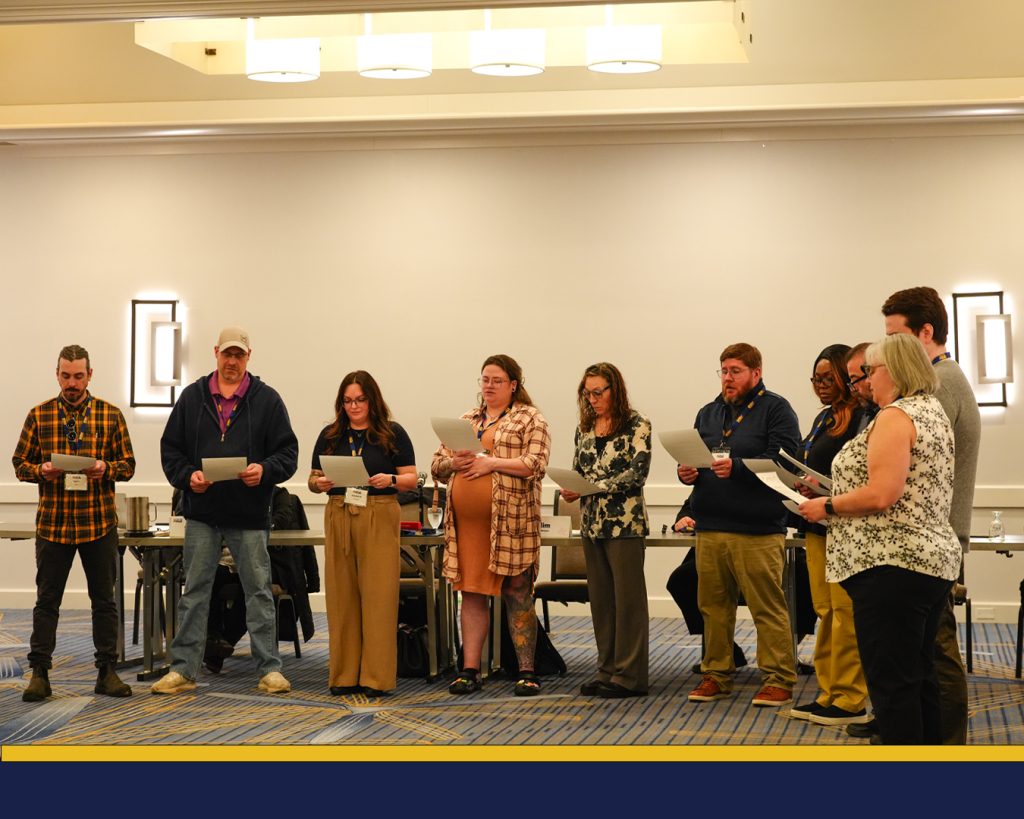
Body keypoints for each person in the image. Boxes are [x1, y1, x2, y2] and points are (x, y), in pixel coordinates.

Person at [799, 333, 962, 745]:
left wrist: (828, 507)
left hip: (892, 566)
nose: (866, 381)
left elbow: (881, 494)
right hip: (925, 563)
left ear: (896, 370)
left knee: (893, 687)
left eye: (870, 371)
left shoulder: (896, 416)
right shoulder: (929, 411)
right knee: (918, 678)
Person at [152, 326, 298, 696]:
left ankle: (269, 670)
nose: (232, 361)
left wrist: (264, 471)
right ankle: (183, 670)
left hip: (249, 515)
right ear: (215, 353)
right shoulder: (192, 398)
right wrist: (189, 477)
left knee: (258, 593)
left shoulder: (268, 400)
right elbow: (171, 451)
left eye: (239, 355)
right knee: (195, 593)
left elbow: (288, 454)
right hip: (203, 513)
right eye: (227, 354)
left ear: (249, 357)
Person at [881, 286, 979, 745]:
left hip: (933, 539)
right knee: (923, 650)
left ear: (926, 333)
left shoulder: (943, 383)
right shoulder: (936, 382)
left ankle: (947, 747)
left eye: (896, 339)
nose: (889, 352)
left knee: (938, 652)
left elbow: (911, 464)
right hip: (930, 537)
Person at [679, 342, 800, 707]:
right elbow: (697, 461)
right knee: (713, 607)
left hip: (757, 527)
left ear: (756, 373)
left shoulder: (776, 410)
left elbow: (787, 464)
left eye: (735, 371)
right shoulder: (709, 412)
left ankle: (778, 678)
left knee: (767, 606)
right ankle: (716, 674)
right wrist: (686, 473)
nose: (728, 378)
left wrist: (740, 467)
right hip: (710, 523)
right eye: (724, 371)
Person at [13, 344, 136, 702]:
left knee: (105, 601)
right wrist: (41, 471)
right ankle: (39, 673)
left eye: (78, 376)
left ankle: (106, 671)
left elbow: (128, 465)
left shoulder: (110, 415)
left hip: (98, 523)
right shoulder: (39, 415)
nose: (72, 383)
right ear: (57, 374)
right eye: (66, 376)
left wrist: (104, 468)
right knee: (46, 601)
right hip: (53, 524)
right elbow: (20, 464)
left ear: (90, 375)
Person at [431, 354, 550, 696]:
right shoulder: (465, 420)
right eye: (485, 379)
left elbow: (535, 463)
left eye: (497, 380)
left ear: (514, 385)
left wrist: (490, 464)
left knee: (517, 592)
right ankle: (470, 669)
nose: (489, 386)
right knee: (471, 593)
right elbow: (437, 464)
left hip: (512, 522)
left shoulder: (531, 419)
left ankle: (527, 670)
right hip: (467, 527)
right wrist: (455, 461)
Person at [308, 371, 417, 697]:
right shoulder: (330, 434)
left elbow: (412, 479)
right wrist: (320, 484)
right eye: (348, 401)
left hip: (378, 511)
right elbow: (313, 479)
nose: (354, 406)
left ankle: (375, 677)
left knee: (378, 597)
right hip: (339, 511)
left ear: (372, 400)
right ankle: (343, 675)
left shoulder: (391, 433)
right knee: (342, 596)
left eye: (360, 400)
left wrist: (391, 480)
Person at [789, 344, 870, 726]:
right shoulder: (825, 418)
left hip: (847, 527)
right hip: (816, 524)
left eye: (828, 378)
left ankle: (850, 697)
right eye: (815, 379)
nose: (820, 385)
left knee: (845, 613)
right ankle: (828, 692)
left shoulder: (863, 417)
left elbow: (862, 473)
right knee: (824, 610)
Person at [560, 362, 651, 698]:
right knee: (601, 602)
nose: (593, 399)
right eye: (588, 393)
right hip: (592, 525)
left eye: (599, 392)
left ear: (616, 389)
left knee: (628, 603)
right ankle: (607, 670)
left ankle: (630, 677)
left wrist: (591, 487)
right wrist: (572, 488)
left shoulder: (637, 425)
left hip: (624, 524)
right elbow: (577, 471)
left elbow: (635, 476)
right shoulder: (584, 428)